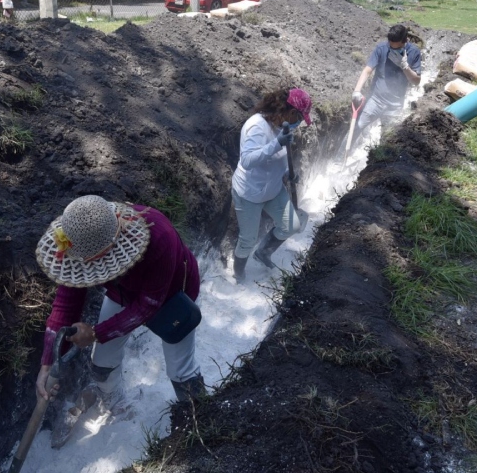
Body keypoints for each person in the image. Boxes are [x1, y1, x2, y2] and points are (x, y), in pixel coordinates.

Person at [35, 195, 205, 409]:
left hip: (173, 296)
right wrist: (48, 363)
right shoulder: (78, 243)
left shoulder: (160, 236)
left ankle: (198, 418)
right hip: (123, 293)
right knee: (101, 365)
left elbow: (148, 305)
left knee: (181, 371)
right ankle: (117, 405)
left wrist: (96, 333)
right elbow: (66, 303)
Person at [230, 88, 313, 281]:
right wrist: (277, 144)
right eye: (300, 118)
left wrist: (288, 174)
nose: (299, 124)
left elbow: (277, 159)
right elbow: (248, 161)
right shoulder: (256, 126)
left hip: (273, 189)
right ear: (291, 112)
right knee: (247, 239)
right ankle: (239, 276)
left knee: (291, 225)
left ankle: (263, 253)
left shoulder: (282, 127)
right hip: (249, 192)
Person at [351, 24, 424, 142]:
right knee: (356, 127)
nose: (392, 49)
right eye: (391, 46)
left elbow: (416, 81)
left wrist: (405, 66)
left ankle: (375, 159)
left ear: (405, 41)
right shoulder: (382, 48)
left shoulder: (414, 52)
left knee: (388, 139)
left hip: (395, 105)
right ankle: (340, 159)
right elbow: (367, 70)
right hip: (375, 100)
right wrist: (357, 91)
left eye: (396, 48)